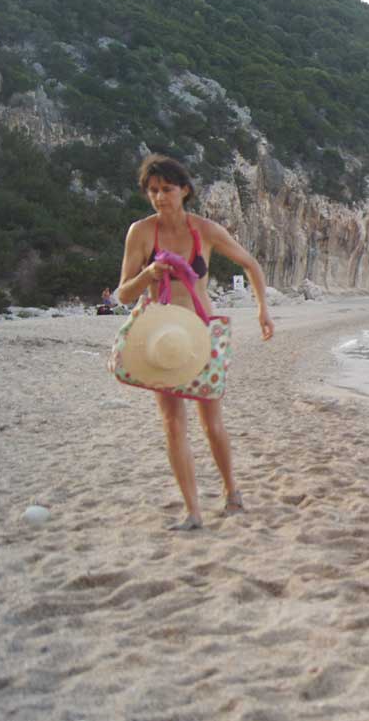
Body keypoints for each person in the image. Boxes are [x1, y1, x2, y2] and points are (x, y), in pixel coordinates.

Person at [115, 154, 275, 531]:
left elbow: (250, 264)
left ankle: (232, 491)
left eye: (167, 189)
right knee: (172, 424)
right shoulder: (141, 232)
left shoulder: (205, 230)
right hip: (160, 341)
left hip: (202, 336)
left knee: (211, 423)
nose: (159, 197)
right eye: (153, 191)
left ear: (184, 190)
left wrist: (262, 310)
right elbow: (123, 294)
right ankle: (192, 511)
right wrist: (148, 274)